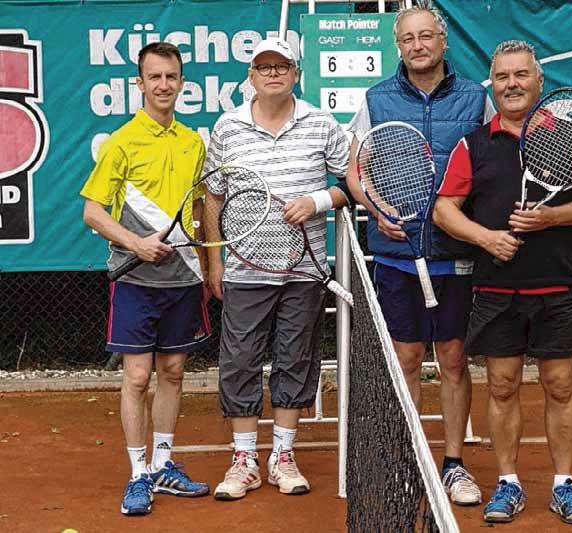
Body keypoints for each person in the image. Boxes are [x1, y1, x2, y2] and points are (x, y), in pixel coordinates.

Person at [433, 40, 572, 525]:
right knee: (502, 385)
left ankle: (563, 484)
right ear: (492, 84)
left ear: (539, 81)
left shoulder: (569, 137)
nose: (512, 84)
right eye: (502, 76)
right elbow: (445, 209)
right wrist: (487, 239)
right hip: (496, 290)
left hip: (558, 285)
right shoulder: (473, 144)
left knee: (560, 385)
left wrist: (551, 217)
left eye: (521, 75)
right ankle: (508, 483)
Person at [346, 1, 494, 507]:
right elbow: (356, 171)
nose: (418, 46)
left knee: (452, 358)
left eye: (426, 36)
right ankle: (408, 460)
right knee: (406, 357)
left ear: (443, 41)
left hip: (456, 254)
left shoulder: (476, 98)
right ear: (398, 46)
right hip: (397, 254)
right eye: (408, 38)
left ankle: (453, 464)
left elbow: (493, 163)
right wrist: (376, 207)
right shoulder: (376, 99)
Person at [202, 38, 350, 501]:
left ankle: (283, 456)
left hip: (303, 272)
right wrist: (215, 259)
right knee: (239, 362)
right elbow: (213, 196)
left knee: (295, 360)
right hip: (244, 272)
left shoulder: (321, 123)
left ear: (295, 74)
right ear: (251, 76)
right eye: (263, 67)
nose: (272, 74)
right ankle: (244, 460)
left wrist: (318, 200)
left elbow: (352, 182)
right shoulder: (227, 127)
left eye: (281, 67)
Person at [80, 42, 210, 516]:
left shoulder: (193, 142)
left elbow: (199, 208)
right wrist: (136, 244)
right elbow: (92, 212)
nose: (163, 85)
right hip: (135, 279)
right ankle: (137, 474)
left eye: (171, 76)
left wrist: (208, 265)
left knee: (173, 372)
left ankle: (162, 465)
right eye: (154, 77)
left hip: (183, 278)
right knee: (137, 377)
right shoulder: (120, 142)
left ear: (181, 82)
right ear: (139, 83)